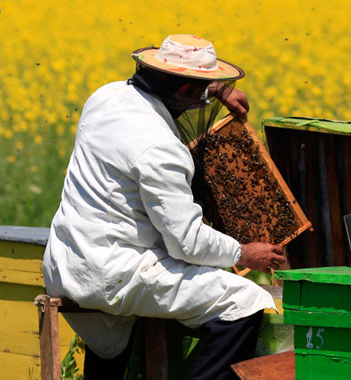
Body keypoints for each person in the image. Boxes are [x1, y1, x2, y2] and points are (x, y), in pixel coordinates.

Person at [42, 34, 287, 380]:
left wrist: (216, 89)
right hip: (114, 274)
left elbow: (176, 86)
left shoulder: (105, 97)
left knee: (112, 336)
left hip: (67, 262)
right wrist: (244, 253)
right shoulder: (160, 148)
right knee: (243, 301)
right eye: (199, 91)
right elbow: (186, 242)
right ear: (186, 90)